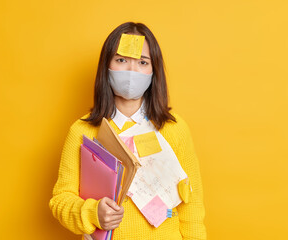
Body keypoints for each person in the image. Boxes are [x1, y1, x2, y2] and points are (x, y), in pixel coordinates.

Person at [49, 22, 206, 240]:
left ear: (154, 71)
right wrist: (93, 213)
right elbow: (61, 200)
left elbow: (192, 206)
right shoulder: (83, 131)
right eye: (121, 60)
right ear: (107, 66)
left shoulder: (174, 129)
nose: (132, 71)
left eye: (142, 62)